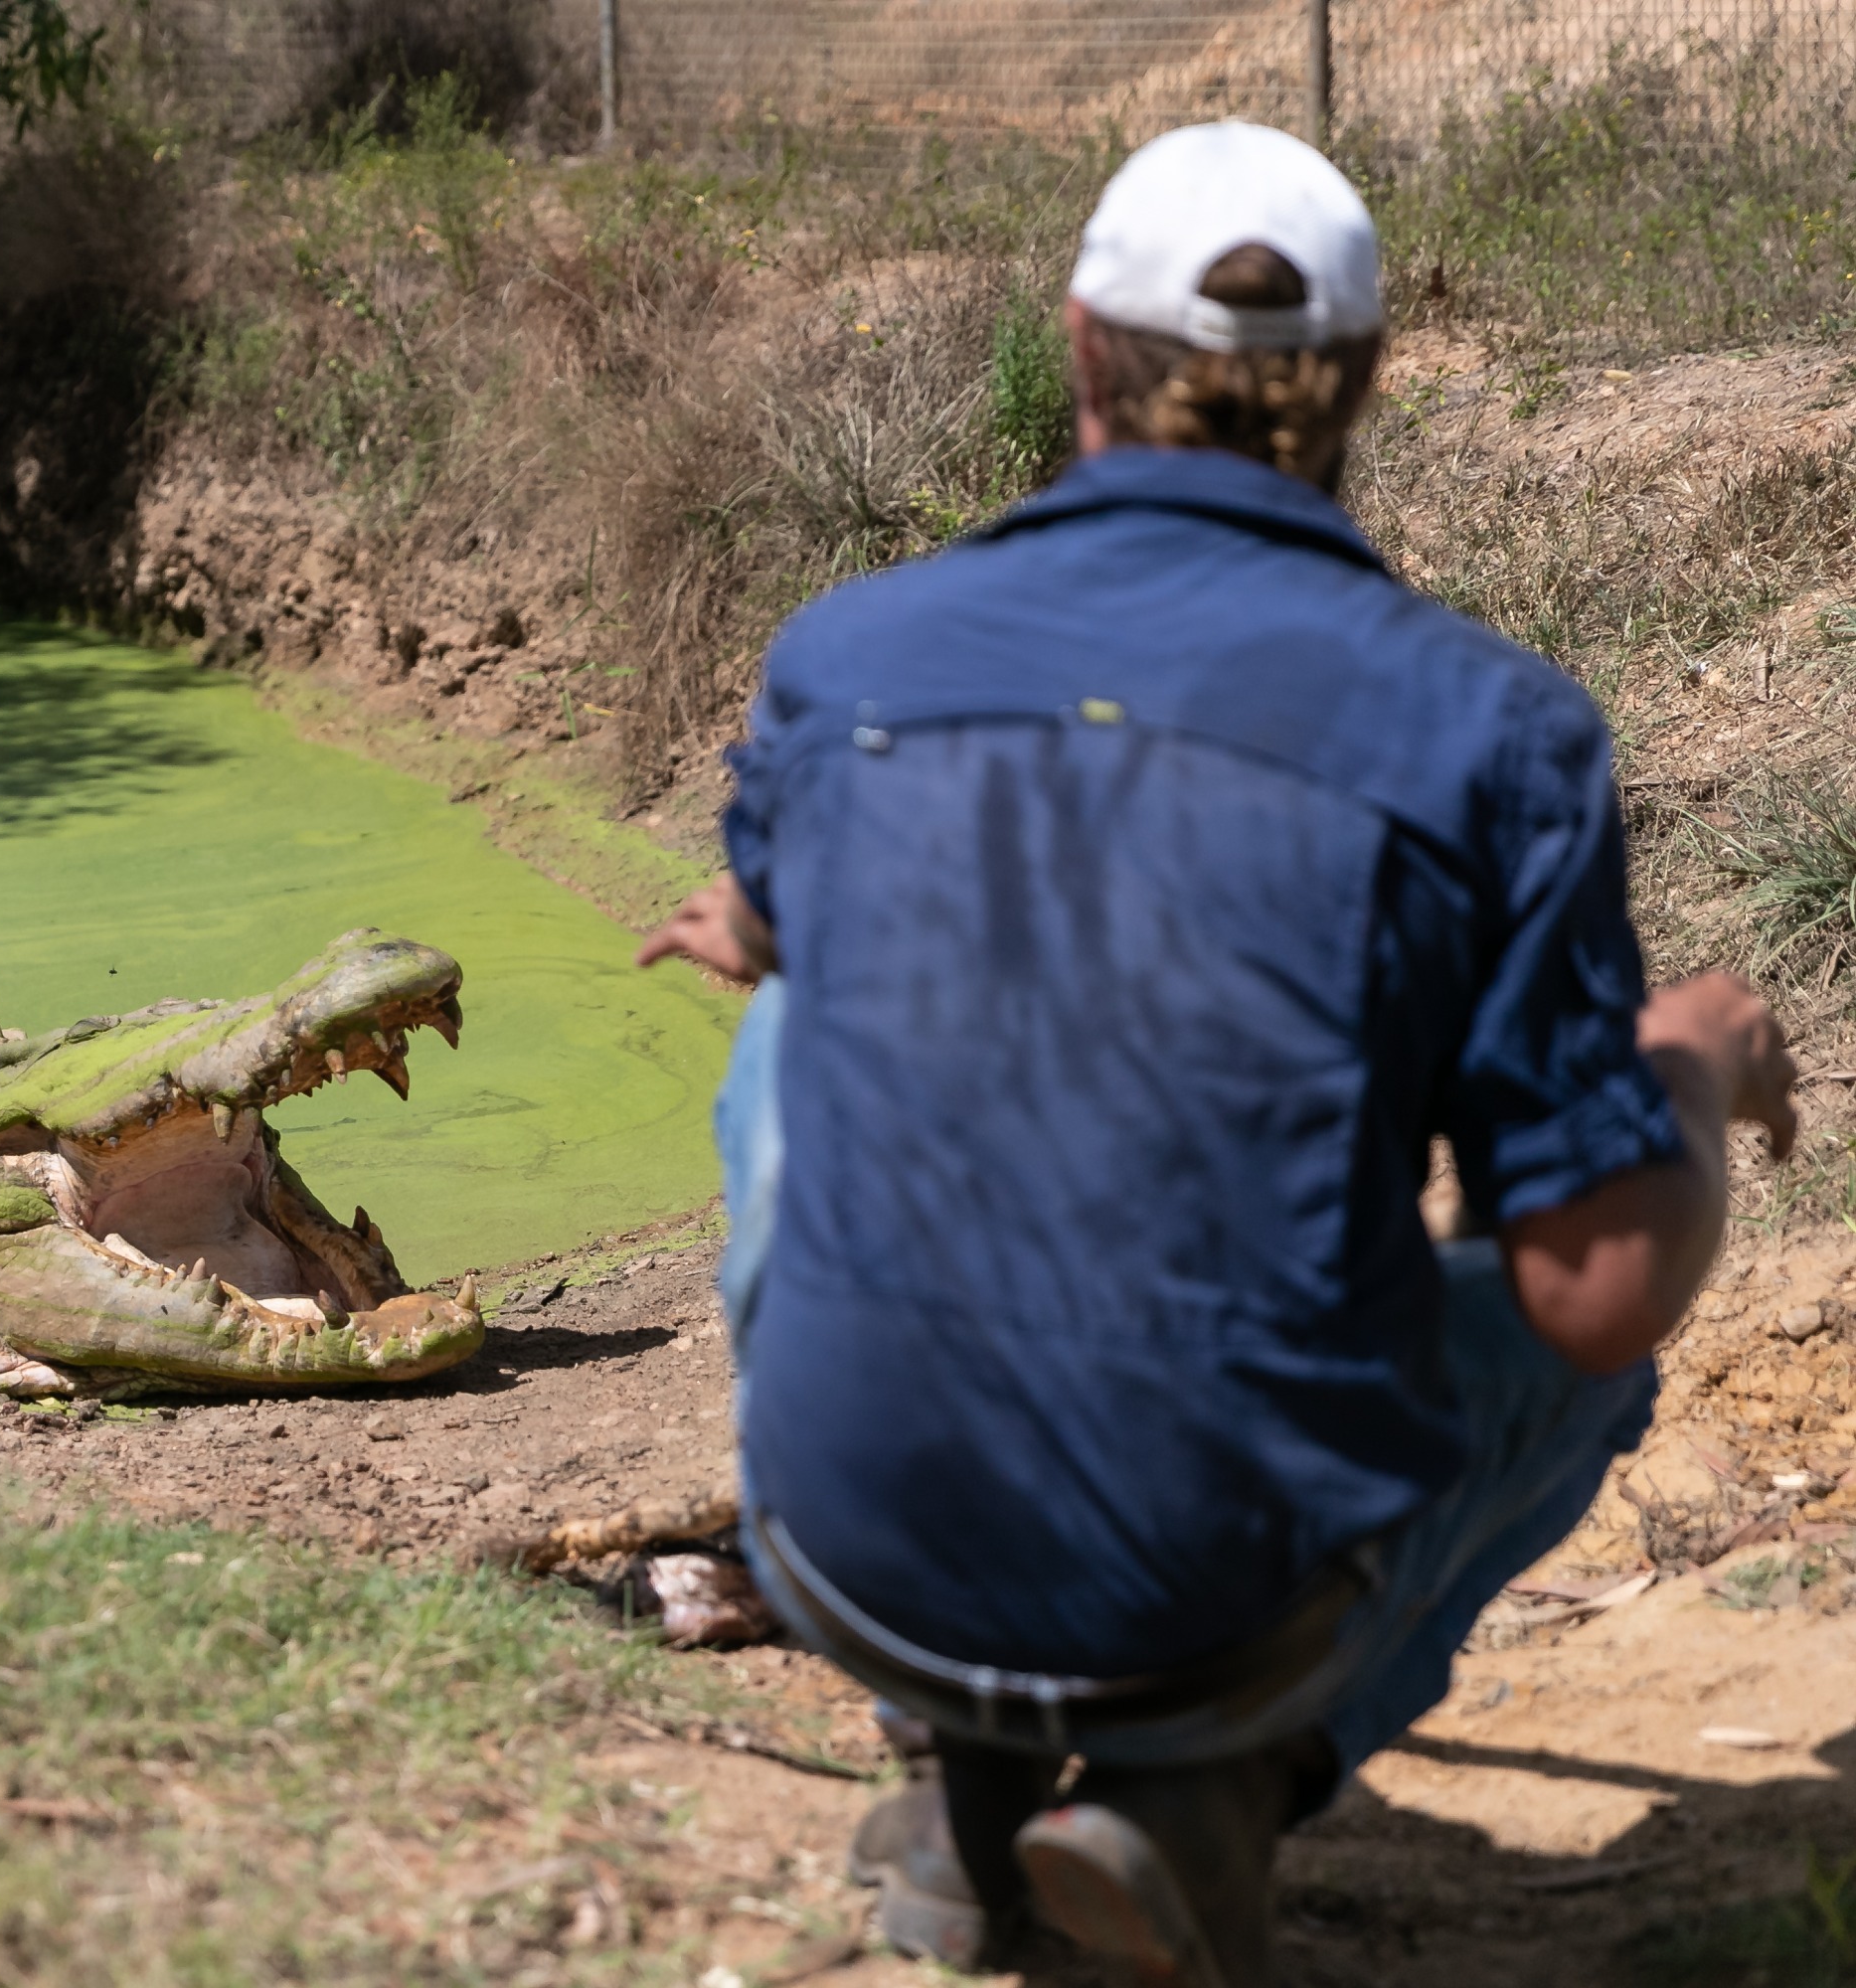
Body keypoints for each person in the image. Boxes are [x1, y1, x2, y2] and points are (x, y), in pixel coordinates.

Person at [637, 121, 1797, 1986]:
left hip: (851, 1559)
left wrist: (794, 931)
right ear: (1365, 379)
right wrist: (1693, 1062)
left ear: (1079, 347)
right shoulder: (1492, 737)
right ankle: (1218, 1793)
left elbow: (846, 918)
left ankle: (957, 1769)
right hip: (1217, 1601)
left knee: (784, 1034)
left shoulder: (846, 660)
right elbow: (1594, 1292)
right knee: (1584, 1357)